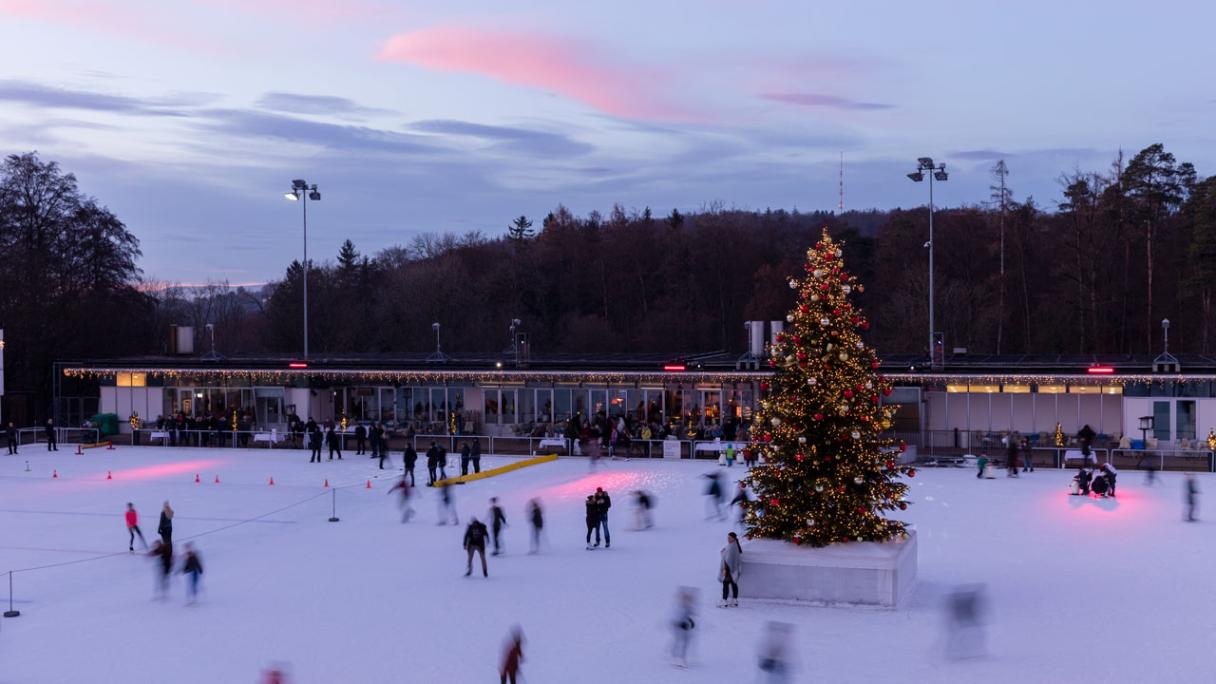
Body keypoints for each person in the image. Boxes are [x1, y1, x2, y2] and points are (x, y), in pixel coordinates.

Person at [670, 588, 697, 668]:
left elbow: (691, 616)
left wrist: (691, 622)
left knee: (685, 643)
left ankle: (681, 658)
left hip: (685, 628)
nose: (688, 602)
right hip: (679, 627)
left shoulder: (689, 607)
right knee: (678, 641)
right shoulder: (679, 608)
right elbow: (676, 618)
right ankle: (675, 658)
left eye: (689, 600)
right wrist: (679, 623)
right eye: (686, 599)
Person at [719, 531, 742, 607]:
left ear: (733, 538)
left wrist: (723, 553)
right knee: (733, 584)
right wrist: (724, 551)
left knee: (726, 585)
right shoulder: (733, 545)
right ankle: (734, 600)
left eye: (729, 538)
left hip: (729, 569)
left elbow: (728, 559)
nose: (728, 539)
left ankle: (725, 600)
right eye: (727, 537)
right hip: (732, 570)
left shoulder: (733, 547)